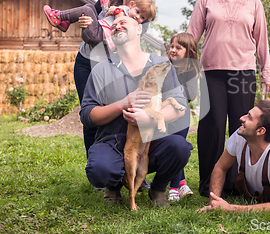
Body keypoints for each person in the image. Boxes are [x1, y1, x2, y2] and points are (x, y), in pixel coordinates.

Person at [80, 16, 193, 206]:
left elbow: (179, 105)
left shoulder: (161, 65)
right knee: (100, 170)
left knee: (180, 148)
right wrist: (122, 104)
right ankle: (113, 186)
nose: (117, 26)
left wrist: (150, 119)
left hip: (151, 140)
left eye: (123, 22)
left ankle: (158, 188)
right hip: (112, 140)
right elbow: (87, 116)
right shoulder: (101, 70)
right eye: (114, 25)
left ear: (139, 29)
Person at [187, 0, 270, 198]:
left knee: (242, 127)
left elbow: (261, 42)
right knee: (212, 127)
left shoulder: (254, 3)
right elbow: (192, 37)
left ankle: (235, 183)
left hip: (243, 73)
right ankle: (208, 184)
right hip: (211, 72)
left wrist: (266, 74)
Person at [69, 0, 151, 159]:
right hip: (86, 61)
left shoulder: (142, 14)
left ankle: (117, 163)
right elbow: (91, 17)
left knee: (115, 116)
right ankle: (94, 165)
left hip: (111, 66)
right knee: (89, 113)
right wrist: (84, 23)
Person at [197, 100, 270, 214]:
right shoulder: (240, 136)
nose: (242, 118)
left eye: (249, 117)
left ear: (260, 131)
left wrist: (229, 208)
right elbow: (220, 167)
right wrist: (214, 202)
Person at [43, 0, 156, 50]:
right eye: (137, 12)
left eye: (142, 17)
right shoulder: (124, 9)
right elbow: (106, 12)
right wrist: (105, 0)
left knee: (87, 10)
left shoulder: (132, 25)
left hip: (99, 38)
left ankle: (59, 16)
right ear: (131, 5)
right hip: (97, 31)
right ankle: (65, 22)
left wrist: (117, 12)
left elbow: (121, 25)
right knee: (90, 7)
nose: (138, 17)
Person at [166, 32, 199, 201]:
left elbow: (191, 95)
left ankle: (173, 188)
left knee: (177, 148)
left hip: (181, 117)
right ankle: (182, 183)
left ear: (188, 52)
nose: (173, 50)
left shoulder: (190, 71)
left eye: (178, 48)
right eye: (172, 46)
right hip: (165, 115)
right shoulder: (165, 67)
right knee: (174, 149)